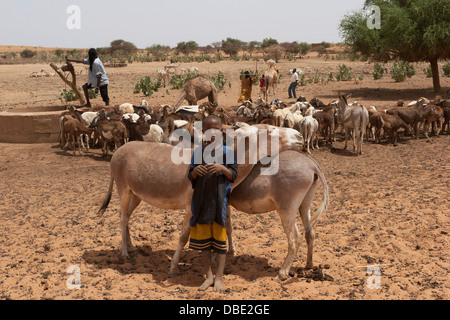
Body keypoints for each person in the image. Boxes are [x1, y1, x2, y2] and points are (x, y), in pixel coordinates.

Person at [188, 115, 238, 292]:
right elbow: (190, 175)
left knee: (220, 243)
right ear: (203, 132)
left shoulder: (227, 151)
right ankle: (208, 276)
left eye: (216, 129)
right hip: (201, 201)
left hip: (219, 202)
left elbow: (234, 175)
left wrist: (222, 168)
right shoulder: (198, 152)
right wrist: (196, 172)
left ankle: (219, 278)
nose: (212, 132)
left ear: (221, 131)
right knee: (203, 244)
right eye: (208, 129)